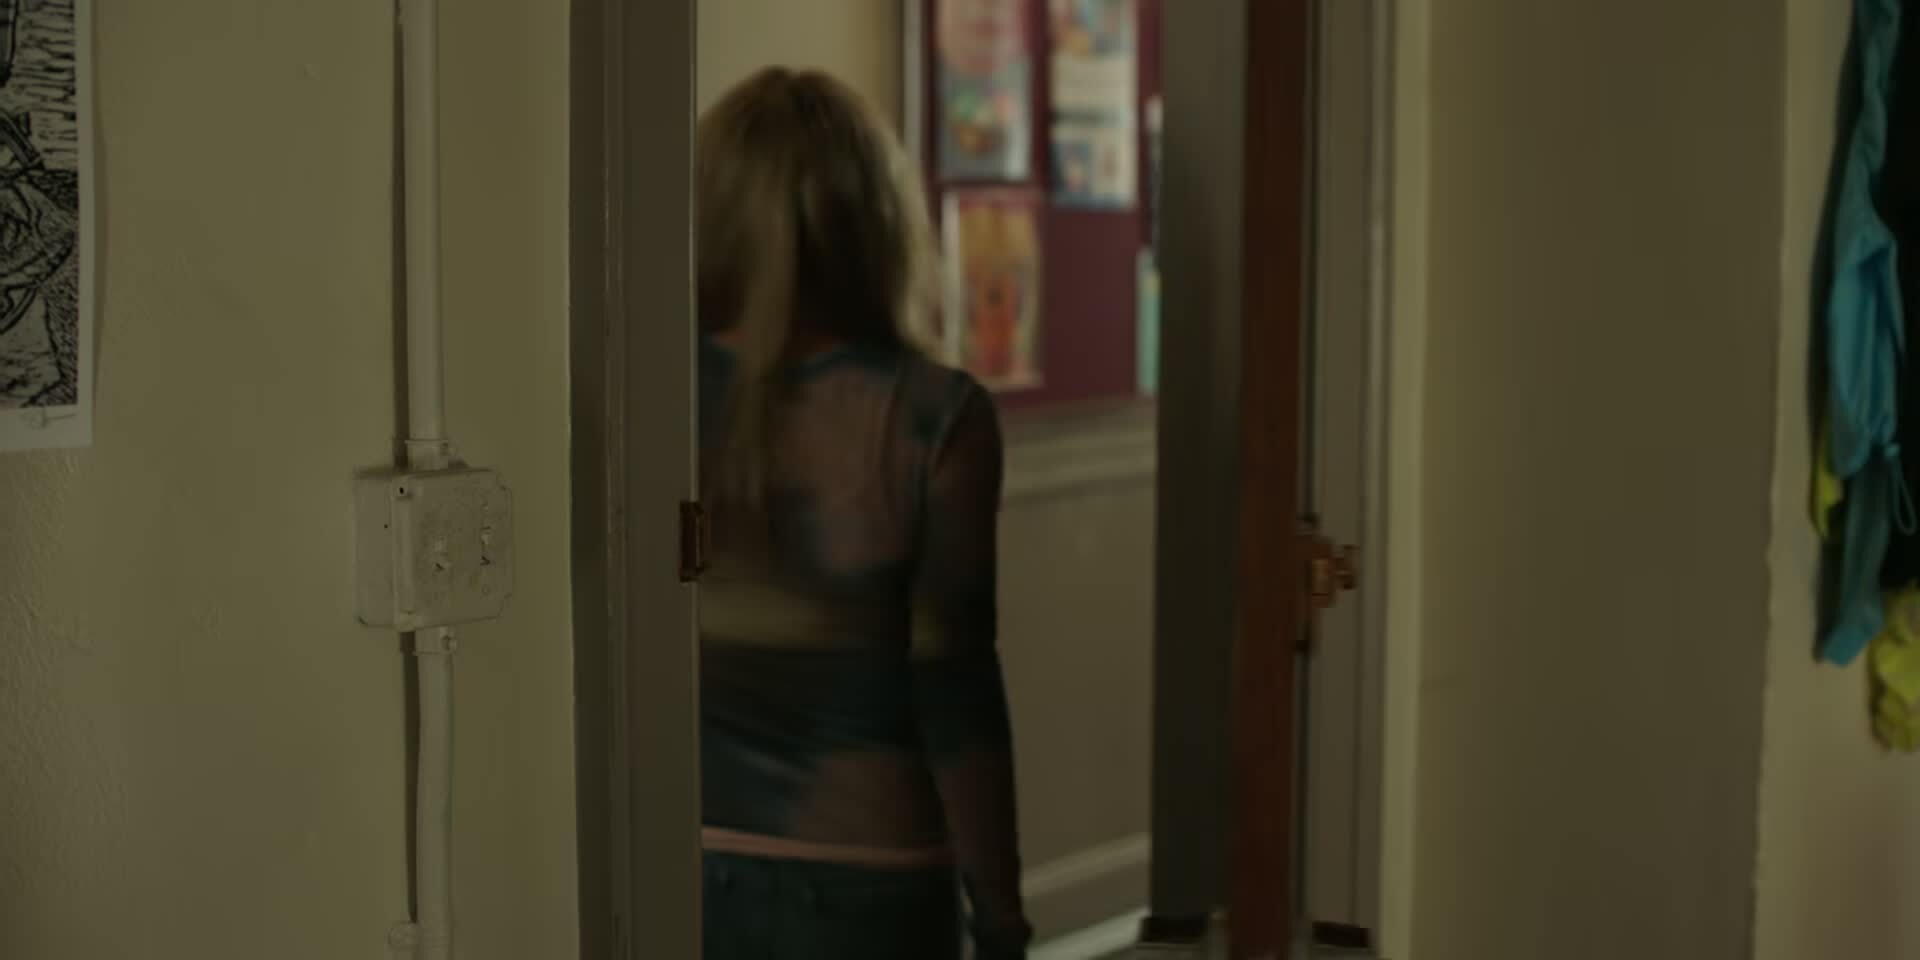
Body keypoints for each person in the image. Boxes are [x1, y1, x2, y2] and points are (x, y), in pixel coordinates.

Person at [695, 67, 1033, 960]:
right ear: (877, 219)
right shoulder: (932, 417)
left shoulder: (647, 395)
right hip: (874, 875)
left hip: (683, 856)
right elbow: (955, 684)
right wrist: (1001, 913)